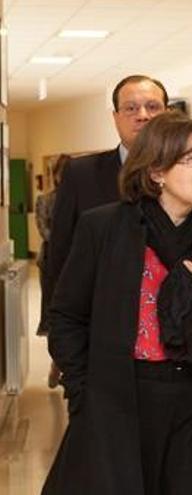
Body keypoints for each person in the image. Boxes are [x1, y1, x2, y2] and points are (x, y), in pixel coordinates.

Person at [43, 113, 192, 494]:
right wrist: (83, 392)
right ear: (157, 171)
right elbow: (66, 316)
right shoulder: (105, 228)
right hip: (121, 399)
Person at [46, 75, 168, 334]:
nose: (143, 115)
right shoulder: (81, 175)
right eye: (131, 108)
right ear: (115, 117)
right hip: (101, 327)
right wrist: (58, 331)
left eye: (153, 107)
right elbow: (60, 255)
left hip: (172, 330)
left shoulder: (190, 173)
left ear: (167, 114)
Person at [36, 154, 70, 388]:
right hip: (50, 263)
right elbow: (44, 229)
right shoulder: (45, 200)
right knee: (53, 313)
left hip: (75, 262)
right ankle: (57, 364)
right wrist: (65, 243)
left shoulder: (80, 199)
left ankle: (64, 365)